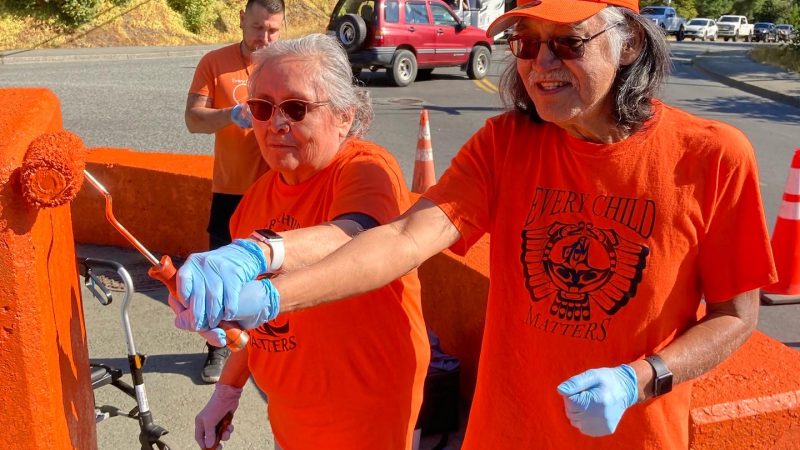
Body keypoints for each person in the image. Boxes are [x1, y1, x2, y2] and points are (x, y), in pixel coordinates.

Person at [174, 0, 778, 448]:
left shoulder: (712, 156)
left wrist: (643, 378)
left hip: (634, 433)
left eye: (566, 42)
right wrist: (267, 283)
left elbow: (735, 316)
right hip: (503, 431)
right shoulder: (506, 144)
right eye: (525, 42)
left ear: (629, 45)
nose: (542, 63)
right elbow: (405, 238)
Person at [179, 34, 429, 450]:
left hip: (368, 415)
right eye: (261, 107)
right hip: (290, 414)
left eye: (296, 108)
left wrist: (261, 250)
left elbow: (358, 232)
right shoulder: (256, 198)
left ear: (345, 117)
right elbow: (255, 322)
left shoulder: (366, 169)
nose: (276, 123)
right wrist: (228, 390)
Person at [184, 0, 285, 383]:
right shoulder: (214, 63)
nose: (265, 38)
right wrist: (230, 115)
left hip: (277, 188)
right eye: (258, 27)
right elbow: (193, 120)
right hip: (230, 188)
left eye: (273, 30)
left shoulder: (282, 64)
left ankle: (272, 348)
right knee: (220, 274)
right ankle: (217, 348)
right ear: (242, 20)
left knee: (275, 273)